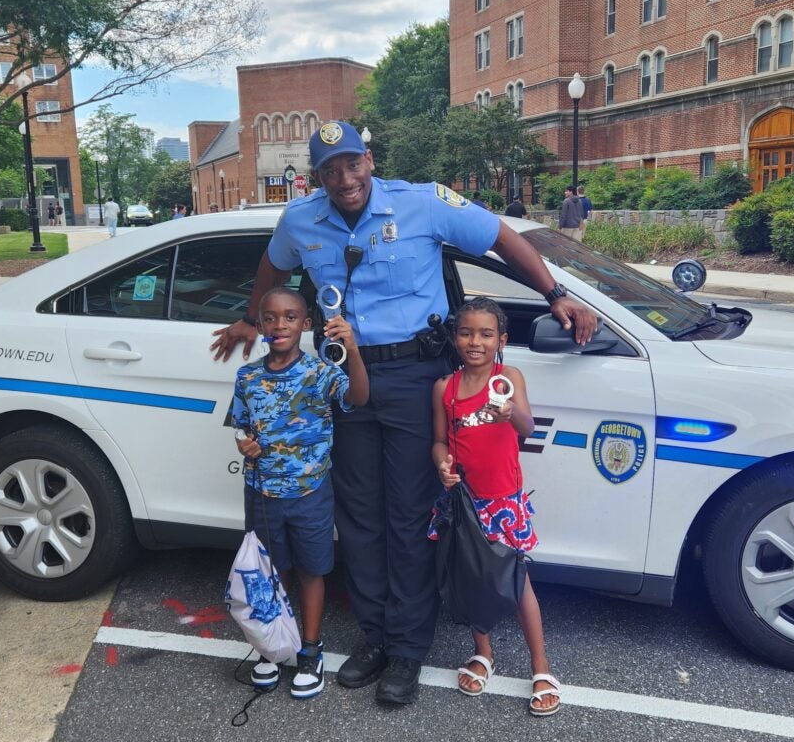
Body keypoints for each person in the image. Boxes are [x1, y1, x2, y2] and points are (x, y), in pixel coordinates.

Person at [210, 120, 594, 705]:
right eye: (330, 170)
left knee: (412, 515)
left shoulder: (422, 203)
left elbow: (504, 239)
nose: (344, 179)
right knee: (360, 516)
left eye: (352, 164)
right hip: (344, 379)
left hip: (417, 377)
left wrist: (555, 294)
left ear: (369, 159)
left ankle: (409, 648)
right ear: (317, 177)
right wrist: (248, 315)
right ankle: (376, 637)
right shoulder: (300, 220)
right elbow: (274, 267)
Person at [231, 286, 370, 699]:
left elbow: (359, 398)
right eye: (270, 318)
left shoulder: (321, 373)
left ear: (305, 324)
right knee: (271, 573)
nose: (279, 325)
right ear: (259, 326)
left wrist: (354, 351)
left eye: (290, 317)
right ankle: (273, 646)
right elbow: (240, 426)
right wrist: (244, 444)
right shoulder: (248, 377)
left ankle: (310, 650)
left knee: (312, 571)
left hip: (310, 493)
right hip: (261, 493)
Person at [428, 297, 560, 717]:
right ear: (454, 337)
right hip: (464, 502)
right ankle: (482, 652)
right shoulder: (444, 389)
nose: (475, 341)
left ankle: (541, 667)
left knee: (516, 581)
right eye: (466, 332)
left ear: (501, 340)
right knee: (473, 578)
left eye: (486, 334)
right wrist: (442, 464)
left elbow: (527, 426)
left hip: (503, 501)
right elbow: (438, 441)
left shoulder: (508, 377)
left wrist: (510, 412)